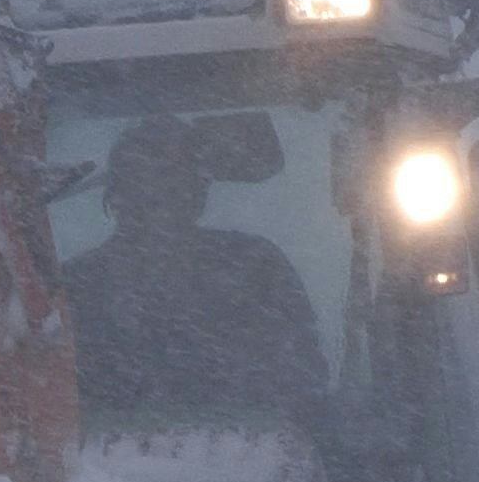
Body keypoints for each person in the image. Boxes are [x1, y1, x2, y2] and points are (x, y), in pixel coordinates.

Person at [62, 115, 328, 433]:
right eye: (147, 182)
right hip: (97, 476)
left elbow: (301, 385)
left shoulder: (257, 269)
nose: (162, 197)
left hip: (251, 464)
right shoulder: (73, 288)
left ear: (199, 191)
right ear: (118, 195)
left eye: (176, 182)